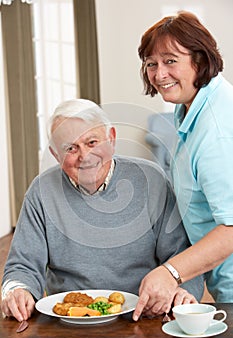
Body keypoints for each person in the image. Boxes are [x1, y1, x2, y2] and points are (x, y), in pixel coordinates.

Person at [1, 98, 203, 322]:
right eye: (70, 148)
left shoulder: (151, 180)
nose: (84, 156)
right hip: (69, 325)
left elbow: (182, 254)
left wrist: (183, 293)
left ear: (112, 139)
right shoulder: (41, 191)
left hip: (143, 317)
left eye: (92, 142)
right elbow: (22, 265)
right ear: (56, 154)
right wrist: (18, 290)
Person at [133, 10, 233, 321]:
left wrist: (170, 272)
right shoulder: (193, 108)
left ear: (200, 60)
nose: (159, 73)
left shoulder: (216, 129)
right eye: (151, 64)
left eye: (170, 60)